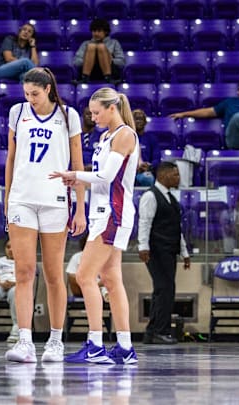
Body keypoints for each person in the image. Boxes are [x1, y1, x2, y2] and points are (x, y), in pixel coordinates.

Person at [50, 87, 140, 365]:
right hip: (104, 213)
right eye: (91, 112)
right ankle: (124, 347)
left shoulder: (125, 134)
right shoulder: (105, 136)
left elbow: (107, 175)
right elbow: (99, 177)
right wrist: (79, 179)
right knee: (112, 281)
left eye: (97, 112)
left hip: (113, 214)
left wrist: (75, 175)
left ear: (112, 108)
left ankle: (95, 345)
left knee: (85, 276)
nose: (93, 117)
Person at [4, 67, 87, 363]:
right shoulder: (17, 112)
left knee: (54, 274)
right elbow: (11, 157)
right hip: (22, 199)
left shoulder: (69, 116)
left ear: (49, 90)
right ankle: (25, 340)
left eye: (35, 94)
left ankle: (55, 340)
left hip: (55, 201)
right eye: (26, 94)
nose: (30, 99)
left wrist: (79, 206)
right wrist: (7, 196)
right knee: (24, 272)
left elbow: (77, 163)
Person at [137, 161, 191, 345]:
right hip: (156, 250)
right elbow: (144, 222)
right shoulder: (150, 196)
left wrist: (184, 252)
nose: (178, 178)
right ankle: (160, 331)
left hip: (169, 250)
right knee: (164, 289)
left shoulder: (171, 198)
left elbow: (177, 228)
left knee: (164, 290)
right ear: (163, 175)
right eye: (175, 174)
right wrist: (143, 246)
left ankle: (152, 332)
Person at [74, 18, 125, 84]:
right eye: (94, 31)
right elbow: (77, 62)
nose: (96, 33)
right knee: (91, 46)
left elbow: (121, 62)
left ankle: (108, 78)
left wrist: (109, 59)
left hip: (110, 71)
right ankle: (85, 78)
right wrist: (88, 60)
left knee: (101, 47)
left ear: (106, 32)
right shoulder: (86, 44)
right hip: (91, 72)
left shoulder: (114, 43)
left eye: (99, 31)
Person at [66, 232, 110, 302]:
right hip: (80, 288)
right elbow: (71, 276)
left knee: (105, 283)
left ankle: (105, 295)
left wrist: (96, 284)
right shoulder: (76, 257)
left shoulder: (105, 257)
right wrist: (87, 282)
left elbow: (108, 278)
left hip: (99, 287)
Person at [134, 109, 160, 187]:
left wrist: (149, 166)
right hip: (130, 171)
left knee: (147, 178)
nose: (138, 121)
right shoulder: (126, 137)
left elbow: (157, 158)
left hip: (146, 171)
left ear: (145, 122)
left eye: (141, 119)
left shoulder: (151, 138)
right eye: (136, 119)